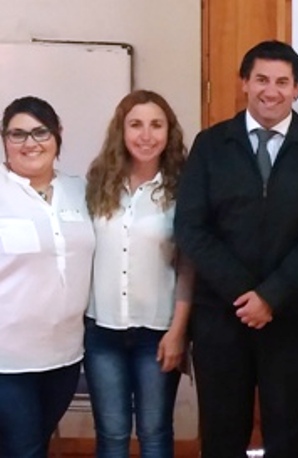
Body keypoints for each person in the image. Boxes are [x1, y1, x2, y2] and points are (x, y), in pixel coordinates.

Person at [174, 40, 298, 457]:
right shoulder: (211, 144)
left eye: (283, 82)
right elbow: (191, 228)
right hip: (220, 316)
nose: (272, 91)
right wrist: (242, 294)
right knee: (221, 433)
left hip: (289, 317)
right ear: (244, 83)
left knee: (286, 436)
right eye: (262, 79)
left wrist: (270, 296)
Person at [84, 90, 192, 457]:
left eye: (156, 125)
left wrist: (178, 331)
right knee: (112, 436)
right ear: (121, 131)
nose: (146, 135)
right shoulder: (98, 183)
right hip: (103, 331)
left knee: (155, 432)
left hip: (158, 332)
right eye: (136, 125)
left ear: (169, 132)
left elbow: (188, 265)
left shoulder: (183, 189)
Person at [0, 96, 95, 457]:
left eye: (40, 132)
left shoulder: (80, 191)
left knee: (33, 443)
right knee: (25, 450)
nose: (30, 143)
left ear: (58, 135)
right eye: (17, 134)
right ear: (4, 140)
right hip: (7, 360)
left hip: (64, 356)